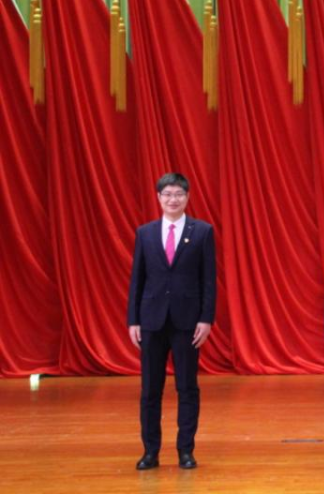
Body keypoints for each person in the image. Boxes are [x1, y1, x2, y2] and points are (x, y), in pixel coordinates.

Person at [127, 173, 216, 470]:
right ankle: (150, 452)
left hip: (187, 322)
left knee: (187, 388)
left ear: (187, 197)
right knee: (150, 390)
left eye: (178, 194)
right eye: (167, 194)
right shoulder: (145, 233)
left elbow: (208, 280)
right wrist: (133, 320)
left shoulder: (202, 231)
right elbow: (137, 279)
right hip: (151, 321)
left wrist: (206, 318)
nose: (173, 199)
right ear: (159, 198)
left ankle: (185, 451)